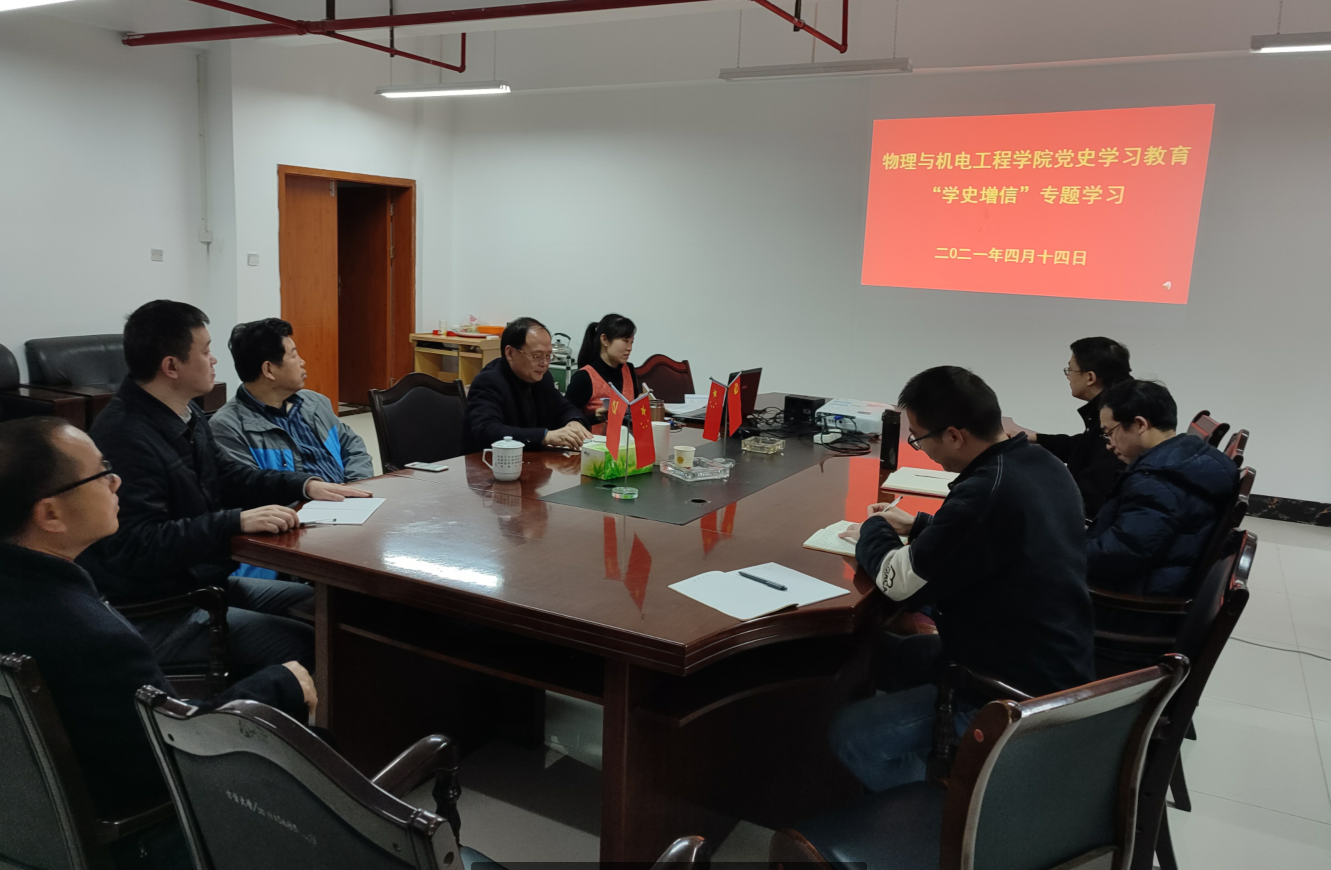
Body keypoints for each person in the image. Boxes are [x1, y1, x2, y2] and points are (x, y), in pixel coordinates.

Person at [0, 416, 316, 870]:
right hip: (148, 837)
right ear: (49, 514)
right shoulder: (96, 637)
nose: (116, 482)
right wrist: (278, 685)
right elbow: (177, 752)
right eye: (101, 473)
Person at [832, 366, 1095, 792]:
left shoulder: (985, 492)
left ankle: (943, 814)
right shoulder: (1038, 462)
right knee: (883, 655)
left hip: (1007, 688)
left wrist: (873, 530)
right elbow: (993, 536)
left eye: (919, 438)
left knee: (852, 736)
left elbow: (898, 581)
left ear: (955, 435)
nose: (921, 448)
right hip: (1053, 657)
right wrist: (919, 524)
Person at [77, 300, 370, 680]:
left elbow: (229, 476)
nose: (214, 360)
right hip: (160, 606)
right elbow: (139, 545)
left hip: (203, 582)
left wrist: (304, 484)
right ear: (171, 366)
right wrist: (235, 521)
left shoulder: (184, 412)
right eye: (205, 351)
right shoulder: (126, 436)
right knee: (313, 643)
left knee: (330, 608)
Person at [1088, 379, 1239, 597]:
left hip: (1127, 600)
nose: (1109, 444)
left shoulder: (1159, 482)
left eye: (1109, 432)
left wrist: (1064, 553)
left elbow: (1121, 554)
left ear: (1140, 425)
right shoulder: (1182, 461)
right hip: (1153, 580)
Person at [210, 318, 373, 483]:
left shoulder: (315, 403)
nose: (302, 362)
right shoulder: (228, 428)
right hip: (300, 500)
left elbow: (352, 446)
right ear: (269, 370)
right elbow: (252, 489)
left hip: (349, 495)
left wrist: (356, 486)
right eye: (294, 356)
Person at [1005, 337, 1132, 519]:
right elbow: (1083, 445)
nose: (1068, 376)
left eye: (1070, 369)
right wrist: (1036, 438)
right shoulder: (1119, 403)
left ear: (1090, 377)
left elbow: (1091, 493)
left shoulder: (1117, 419)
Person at [462, 316, 591, 452]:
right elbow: (487, 430)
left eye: (548, 356)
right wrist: (545, 436)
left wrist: (574, 421)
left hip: (532, 459)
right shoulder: (489, 381)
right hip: (489, 461)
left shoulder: (542, 378)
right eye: (536, 356)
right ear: (510, 353)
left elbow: (563, 407)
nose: (544, 363)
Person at [564, 313, 642, 423]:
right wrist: (594, 417)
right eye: (625, 341)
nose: (630, 348)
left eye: (631, 342)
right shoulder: (584, 377)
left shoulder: (628, 369)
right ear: (604, 339)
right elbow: (565, 419)